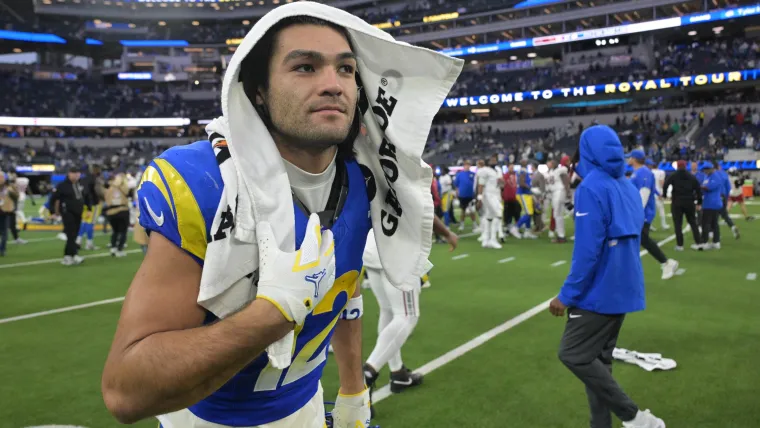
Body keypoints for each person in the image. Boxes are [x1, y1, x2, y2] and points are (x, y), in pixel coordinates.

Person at [100, 13, 420, 428]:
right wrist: (272, 313)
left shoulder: (361, 182)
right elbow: (125, 391)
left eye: (345, 68)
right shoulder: (205, 181)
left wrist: (353, 389)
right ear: (258, 92)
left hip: (306, 405)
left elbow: (345, 288)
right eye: (305, 67)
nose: (333, 84)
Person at [549, 125, 666, 428]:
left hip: (597, 292)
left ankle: (636, 418)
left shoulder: (591, 187)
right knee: (599, 364)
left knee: (573, 353)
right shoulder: (626, 185)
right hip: (624, 288)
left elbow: (588, 252)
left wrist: (566, 295)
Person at [362, 216, 456, 416]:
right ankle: (367, 374)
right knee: (407, 316)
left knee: (388, 310)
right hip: (398, 251)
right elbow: (425, 213)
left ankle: (397, 373)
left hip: (373, 245)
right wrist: (447, 233)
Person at [627, 150, 679, 280]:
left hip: (642, 213)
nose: (628, 159)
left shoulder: (643, 172)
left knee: (642, 239)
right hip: (639, 212)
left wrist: (636, 213)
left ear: (634, 159)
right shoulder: (638, 172)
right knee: (638, 240)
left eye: (630, 157)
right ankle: (665, 263)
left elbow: (644, 193)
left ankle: (666, 263)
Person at [663, 160, 703, 251]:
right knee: (693, 222)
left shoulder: (673, 175)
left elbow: (665, 185)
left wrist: (665, 195)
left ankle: (680, 245)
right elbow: (698, 189)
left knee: (678, 224)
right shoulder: (691, 176)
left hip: (677, 202)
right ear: (685, 166)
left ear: (677, 166)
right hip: (689, 202)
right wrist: (699, 202)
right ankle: (699, 243)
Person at [51, 167, 86, 266]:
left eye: (78, 173)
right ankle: (73, 255)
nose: (76, 175)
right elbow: (54, 199)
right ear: (69, 174)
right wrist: (54, 212)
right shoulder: (62, 186)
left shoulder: (79, 184)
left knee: (74, 235)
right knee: (71, 234)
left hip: (78, 212)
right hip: (67, 212)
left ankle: (69, 256)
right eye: (74, 173)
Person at [476, 155, 504, 249]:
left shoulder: (497, 170)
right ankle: (493, 239)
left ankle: (486, 240)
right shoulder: (485, 170)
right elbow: (480, 185)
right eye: (492, 160)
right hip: (488, 195)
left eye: (495, 160)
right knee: (498, 214)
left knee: (489, 217)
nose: (494, 162)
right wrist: (479, 198)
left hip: (496, 195)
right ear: (487, 161)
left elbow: (500, 185)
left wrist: (501, 183)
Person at [77, 164, 106, 250]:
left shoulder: (82, 178)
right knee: (90, 223)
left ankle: (78, 240)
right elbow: (98, 192)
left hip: (83, 204)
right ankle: (89, 243)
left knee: (84, 222)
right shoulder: (95, 179)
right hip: (93, 204)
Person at [104, 173, 131, 257]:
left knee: (115, 231)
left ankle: (113, 248)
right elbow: (128, 193)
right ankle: (119, 249)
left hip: (111, 212)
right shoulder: (124, 187)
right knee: (123, 231)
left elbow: (106, 198)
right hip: (122, 210)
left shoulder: (109, 188)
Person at [699, 162, 723, 250]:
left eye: (706, 169)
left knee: (705, 223)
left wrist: (698, 186)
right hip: (709, 203)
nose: (705, 171)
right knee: (714, 224)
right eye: (704, 169)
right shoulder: (707, 177)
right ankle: (716, 242)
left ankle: (704, 242)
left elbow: (709, 188)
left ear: (711, 169)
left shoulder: (715, 177)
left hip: (712, 203)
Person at [548, 156, 572, 243]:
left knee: (557, 215)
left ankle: (561, 236)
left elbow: (566, 181)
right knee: (558, 215)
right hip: (556, 193)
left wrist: (568, 192)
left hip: (559, 192)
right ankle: (561, 235)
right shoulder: (553, 171)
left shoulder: (561, 170)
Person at [713, 162, 739, 239]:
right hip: (723, 196)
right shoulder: (724, 174)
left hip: (716, 197)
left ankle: (716, 235)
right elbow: (729, 188)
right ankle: (733, 227)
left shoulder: (713, 175)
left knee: (714, 217)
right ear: (718, 167)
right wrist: (726, 198)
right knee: (724, 215)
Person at [453, 159, 478, 232]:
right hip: (462, 196)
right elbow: (456, 185)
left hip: (471, 196)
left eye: (468, 165)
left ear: (470, 166)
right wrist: (457, 193)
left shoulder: (473, 174)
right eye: (466, 165)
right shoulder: (459, 174)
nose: (467, 166)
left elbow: (476, 185)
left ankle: (474, 224)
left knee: (472, 211)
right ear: (464, 166)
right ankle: (462, 225)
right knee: (463, 211)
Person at [516, 159, 537, 239]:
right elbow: (522, 183)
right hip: (523, 193)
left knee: (529, 212)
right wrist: (531, 188)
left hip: (526, 194)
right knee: (529, 213)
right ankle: (516, 227)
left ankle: (527, 231)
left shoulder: (523, 170)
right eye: (523, 161)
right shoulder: (523, 171)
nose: (525, 161)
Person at [647, 160, 669, 231]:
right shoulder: (661, 172)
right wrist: (663, 193)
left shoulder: (649, 172)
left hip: (650, 193)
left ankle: (649, 225)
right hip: (658, 192)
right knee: (661, 209)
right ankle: (663, 224)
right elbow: (661, 183)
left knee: (651, 210)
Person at [501, 163, 522, 239]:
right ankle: (507, 230)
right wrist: (502, 196)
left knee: (517, 213)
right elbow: (501, 187)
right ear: (507, 168)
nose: (512, 169)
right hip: (507, 198)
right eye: (510, 167)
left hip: (515, 198)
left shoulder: (517, 175)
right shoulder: (504, 176)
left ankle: (516, 228)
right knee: (507, 215)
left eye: (513, 167)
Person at [0, 171, 18, 257]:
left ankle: (2, 249)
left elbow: (16, 197)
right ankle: (2, 249)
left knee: (4, 232)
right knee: (4, 232)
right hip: (4, 211)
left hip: (4, 211)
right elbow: (16, 197)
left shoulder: (8, 188)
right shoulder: (8, 188)